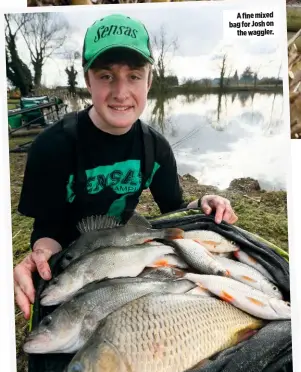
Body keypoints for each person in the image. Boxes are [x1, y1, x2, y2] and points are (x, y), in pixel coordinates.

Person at [13, 13, 238, 320]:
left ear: (149, 81)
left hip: (124, 248)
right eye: (106, 76)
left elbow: (172, 208)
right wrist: (42, 255)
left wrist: (202, 202)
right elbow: (47, 228)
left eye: (133, 76)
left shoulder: (155, 147)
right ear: (87, 79)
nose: (121, 92)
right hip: (71, 259)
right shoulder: (51, 147)